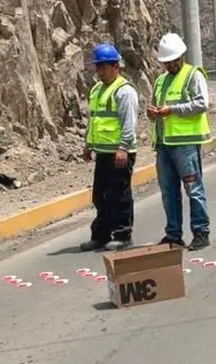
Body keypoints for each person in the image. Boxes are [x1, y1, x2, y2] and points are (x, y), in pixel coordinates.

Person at [147, 32, 213, 251]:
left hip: (185, 145)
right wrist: (153, 113)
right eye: (167, 62)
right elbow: (157, 107)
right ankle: (174, 235)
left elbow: (202, 103)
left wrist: (171, 110)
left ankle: (201, 231)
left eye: (173, 60)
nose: (170, 65)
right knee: (169, 192)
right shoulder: (161, 80)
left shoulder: (193, 75)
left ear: (181, 57)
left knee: (193, 188)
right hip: (164, 145)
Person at [80, 42, 139, 252]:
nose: (100, 71)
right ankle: (101, 235)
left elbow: (129, 123)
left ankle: (123, 235)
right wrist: (88, 144)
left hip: (120, 153)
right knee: (100, 195)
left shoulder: (124, 91)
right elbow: (94, 119)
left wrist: (123, 148)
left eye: (104, 67)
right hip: (103, 152)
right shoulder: (97, 90)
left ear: (116, 66)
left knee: (119, 194)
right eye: (98, 67)